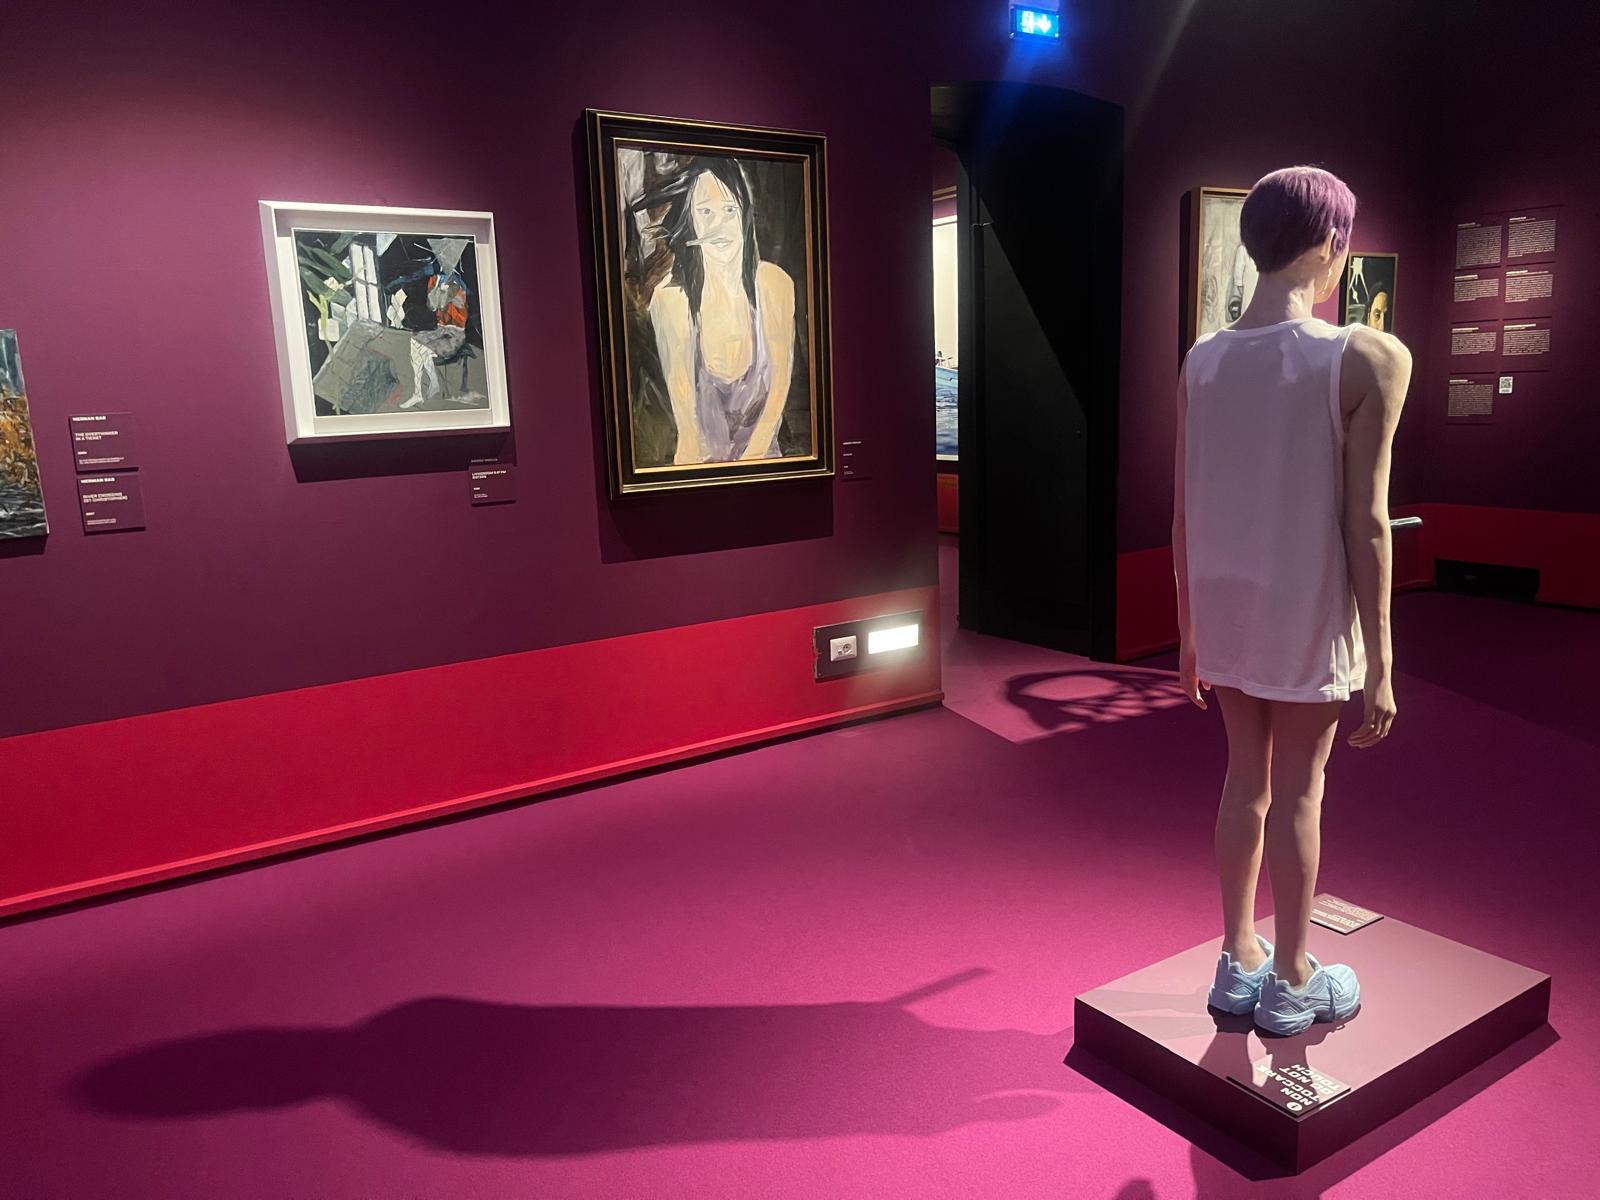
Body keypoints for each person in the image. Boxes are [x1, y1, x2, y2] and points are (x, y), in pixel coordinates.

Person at [1172, 166, 1411, 1036]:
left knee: (1246, 780)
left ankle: (1239, 957)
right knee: (1301, 791)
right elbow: (1368, 522)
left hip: (1227, 605)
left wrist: (1190, 634)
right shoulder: (1366, 356)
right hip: (1304, 605)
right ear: (1332, 246)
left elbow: (1183, 511)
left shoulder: (1202, 358)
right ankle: (1294, 976)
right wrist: (1381, 660)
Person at [640, 157, 797, 464]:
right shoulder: (671, 301)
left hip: (765, 469)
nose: (719, 225)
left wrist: (748, 470)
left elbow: (776, 401)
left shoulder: (774, 286)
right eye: (706, 211)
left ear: (745, 216)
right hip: (700, 471)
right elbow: (688, 428)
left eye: (729, 210)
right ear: (691, 220)